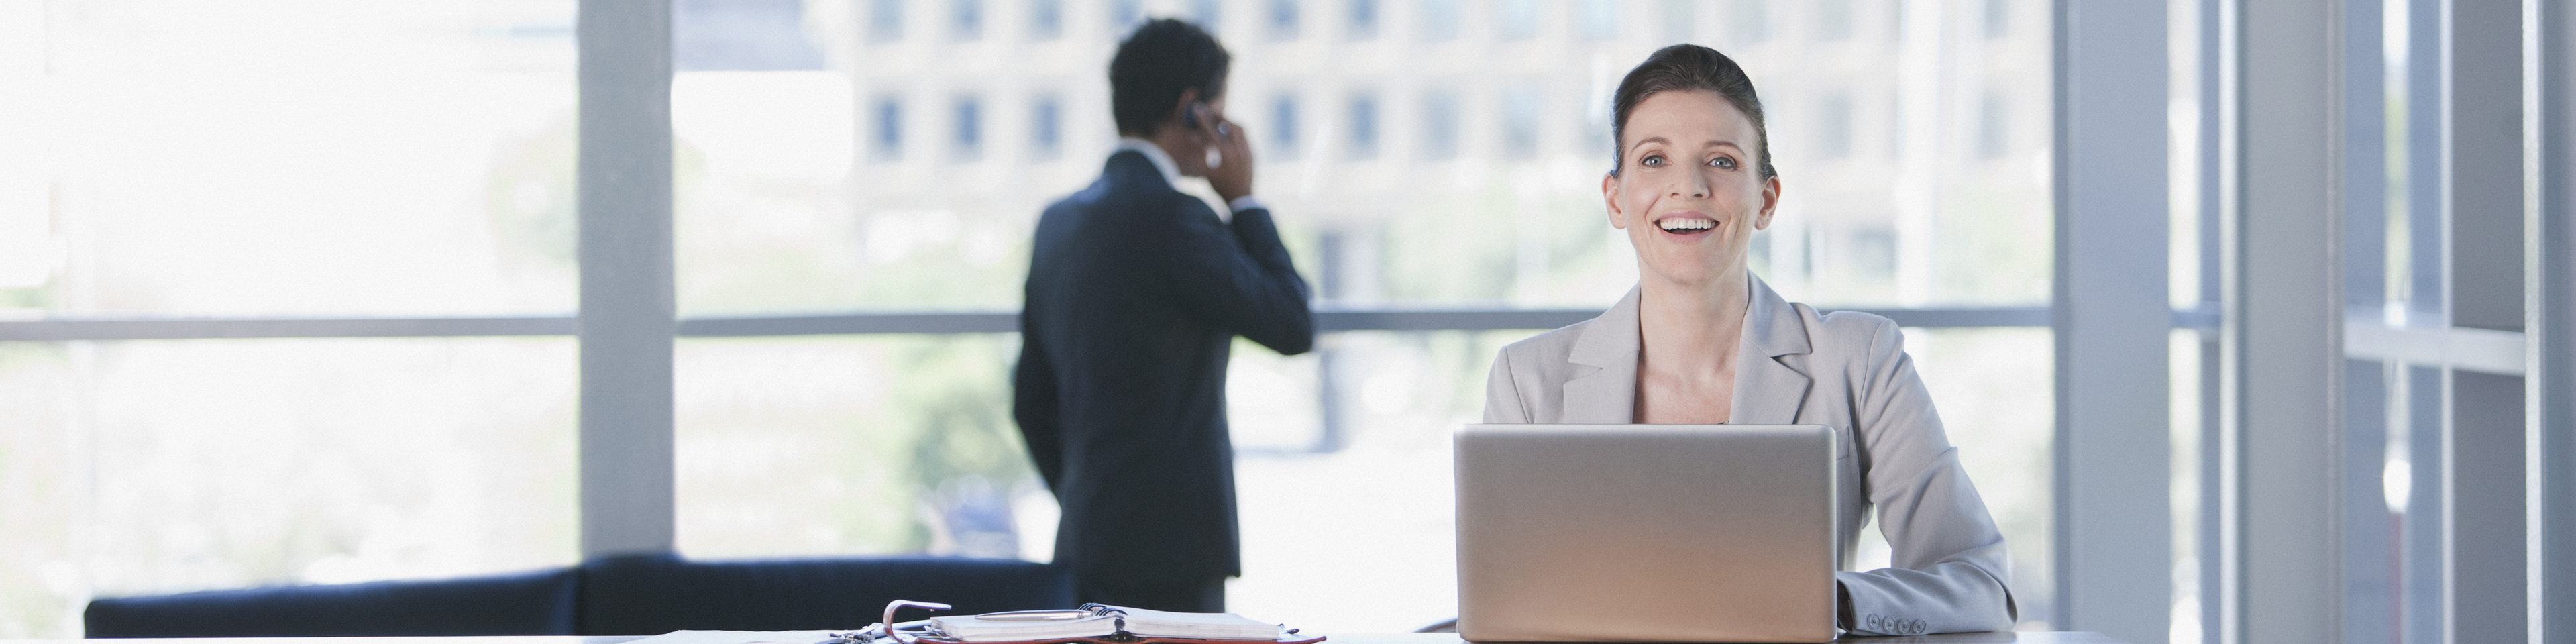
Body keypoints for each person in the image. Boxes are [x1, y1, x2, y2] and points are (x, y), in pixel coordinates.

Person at [1479, 44, 2017, 636]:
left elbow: (1979, 583)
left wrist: (1828, 599)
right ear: (1616, 198)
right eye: (1655, 159)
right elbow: (1505, 603)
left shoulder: (1860, 360)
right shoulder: (1526, 382)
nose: (1688, 187)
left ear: (1766, 200)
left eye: (1723, 161)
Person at [1013, 18, 1314, 614]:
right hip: (1174, 553)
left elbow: (1029, 402)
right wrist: (1243, 199)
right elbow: (1291, 323)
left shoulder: (1058, 222)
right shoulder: (1176, 220)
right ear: (1191, 110)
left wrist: (1084, 498)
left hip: (1087, 540)